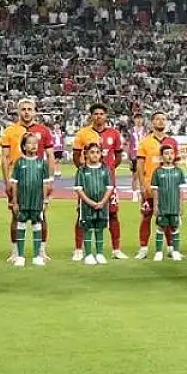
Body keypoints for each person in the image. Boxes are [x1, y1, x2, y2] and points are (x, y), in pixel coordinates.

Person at [0, 99, 55, 263]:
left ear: (35, 111)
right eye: (23, 109)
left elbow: (50, 156)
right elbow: (4, 158)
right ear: (18, 112)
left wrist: (50, 180)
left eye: (29, 109)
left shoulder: (43, 130)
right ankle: (16, 251)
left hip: (38, 181)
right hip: (18, 181)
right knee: (16, 215)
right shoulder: (10, 131)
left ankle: (41, 250)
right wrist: (7, 181)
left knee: (41, 215)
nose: (26, 112)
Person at [72, 103, 125, 261]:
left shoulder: (114, 134)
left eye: (101, 113)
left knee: (113, 213)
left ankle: (116, 249)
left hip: (107, 181)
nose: (99, 116)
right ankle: (78, 249)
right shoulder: (82, 133)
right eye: (96, 114)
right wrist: (86, 172)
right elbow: (76, 157)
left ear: (106, 116)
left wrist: (107, 171)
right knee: (82, 215)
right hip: (88, 181)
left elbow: (118, 157)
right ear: (91, 116)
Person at [135, 112, 179, 259]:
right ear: (152, 122)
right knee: (146, 216)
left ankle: (171, 247)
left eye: (163, 119)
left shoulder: (172, 141)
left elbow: (176, 164)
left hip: (169, 187)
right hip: (150, 187)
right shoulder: (145, 142)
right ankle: (143, 248)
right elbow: (140, 165)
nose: (160, 121)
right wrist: (142, 185)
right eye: (157, 119)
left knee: (169, 217)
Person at [10, 133, 53, 268]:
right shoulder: (19, 162)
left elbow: (45, 183)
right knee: (21, 225)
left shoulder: (42, 163)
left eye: (35, 143)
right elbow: (14, 183)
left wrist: (45, 200)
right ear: (24, 146)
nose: (33, 145)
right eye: (30, 143)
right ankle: (20, 256)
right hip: (23, 201)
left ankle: (37, 256)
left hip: (36, 201)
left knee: (37, 226)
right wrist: (15, 201)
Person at [74, 143, 115, 266]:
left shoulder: (105, 170)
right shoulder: (82, 171)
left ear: (101, 154)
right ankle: (88, 254)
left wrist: (102, 202)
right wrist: (91, 202)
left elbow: (109, 188)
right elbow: (79, 189)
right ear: (86, 154)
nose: (95, 155)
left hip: (102, 205)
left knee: (99, 228)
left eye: (97, 152)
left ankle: (100, 253)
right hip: (86, 206)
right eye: (92, 152)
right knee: (88, 228)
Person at [150, 144, 187, 261]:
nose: (169, 156)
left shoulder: (179, 172)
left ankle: (175, 252)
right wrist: (155, 206)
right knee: (160, 227)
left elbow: (181, 190)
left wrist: (181, 205)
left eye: (171, 153)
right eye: (166, 154)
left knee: (175, 228)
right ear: (161, 157)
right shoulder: (157, 172)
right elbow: (155, 190)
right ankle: (158, 252)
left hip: (174, 205)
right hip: (162, 206)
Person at [127, 113, 147, 201]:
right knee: (135, 176)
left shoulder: (146, 130)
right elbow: (129, 144)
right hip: (134, 155)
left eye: (140, 118)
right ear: (134, 120)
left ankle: (144, 193)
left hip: (144, 155)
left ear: (143, 120)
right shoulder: (130, 131)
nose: (139, 120)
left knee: (145, 176)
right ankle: (134, 194)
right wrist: (129, 158)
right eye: (137, 118)